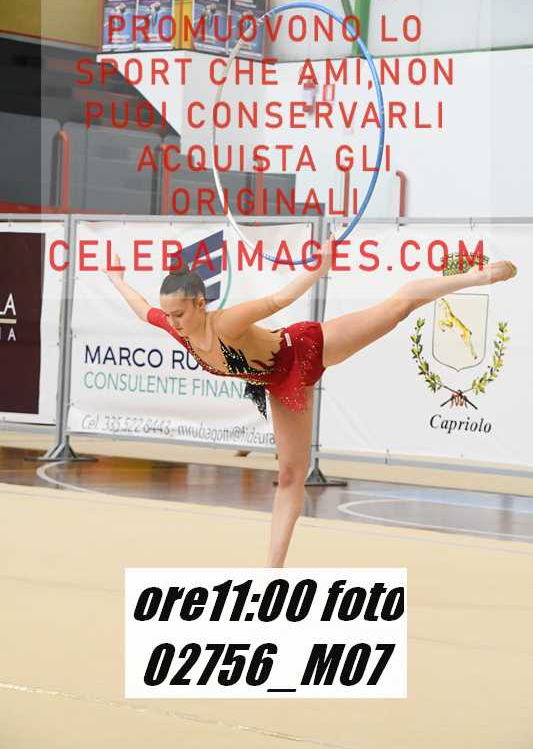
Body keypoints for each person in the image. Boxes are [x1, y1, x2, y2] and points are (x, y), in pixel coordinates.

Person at [104, 242, 517, 567]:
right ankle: (272, 571)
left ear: (200, 304)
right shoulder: (179, 329)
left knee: (396, 309)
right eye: (169, 315)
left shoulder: (225, 323)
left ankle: (475, 276)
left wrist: (318, 269)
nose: (172, 322)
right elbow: (143, 311)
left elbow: (278, 301)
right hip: (279, 382)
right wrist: (116, 279)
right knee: (290, 475)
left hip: (303, 349)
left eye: (179, 313)